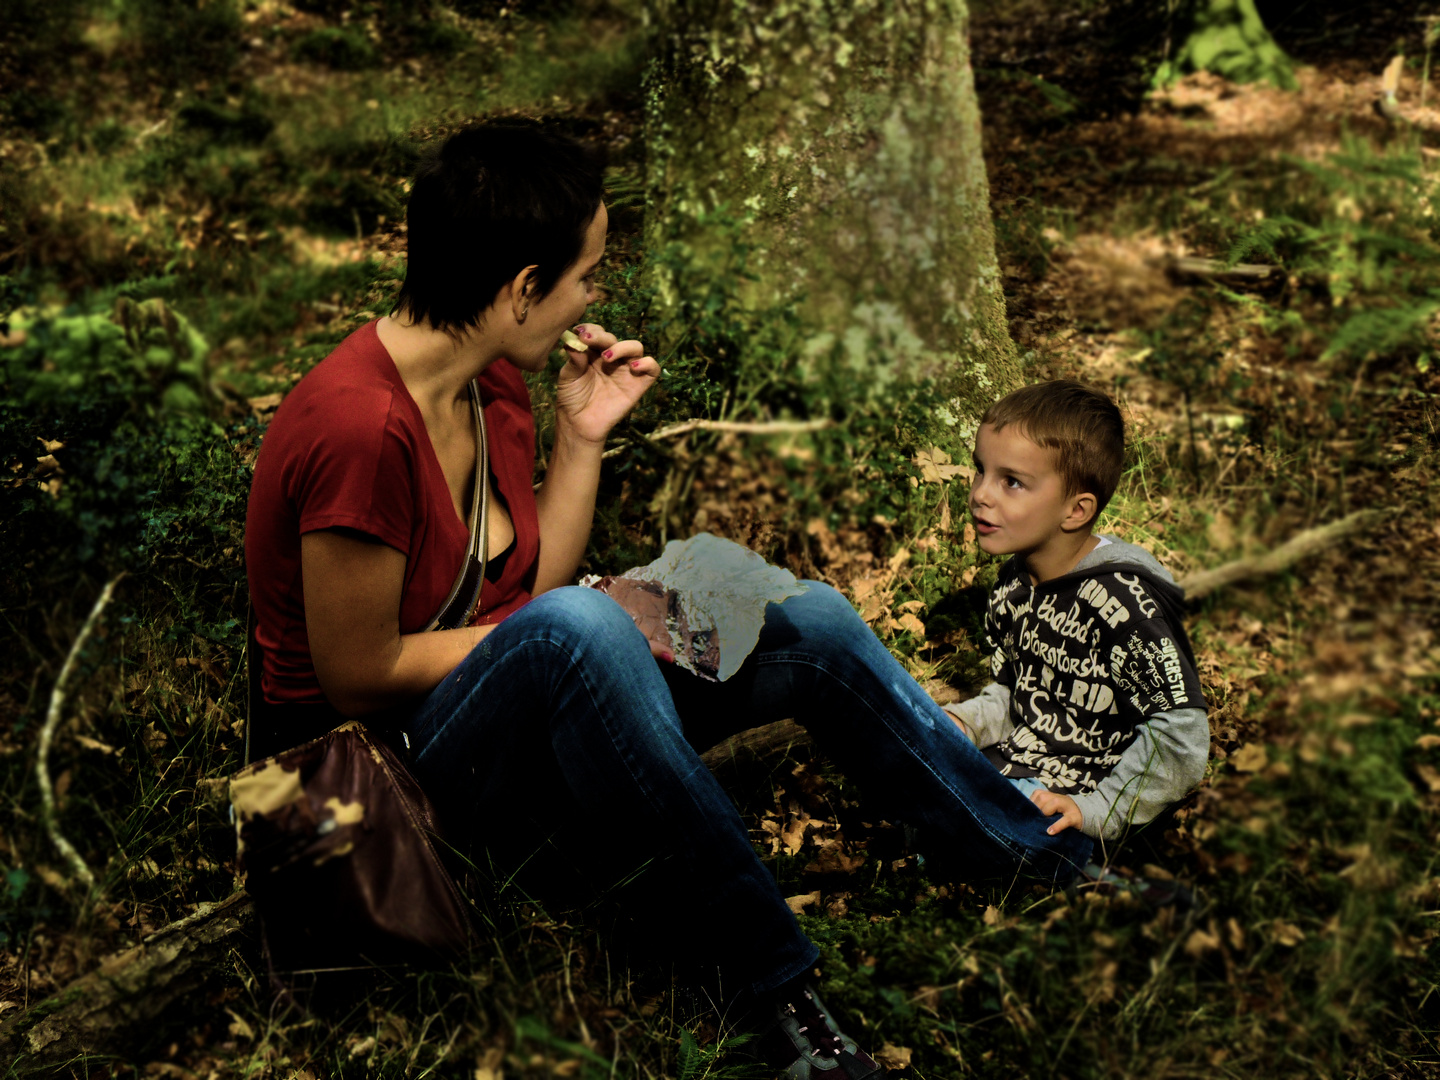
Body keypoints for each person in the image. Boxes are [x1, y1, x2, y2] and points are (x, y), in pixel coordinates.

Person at [244, 120, 1096, 1079]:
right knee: (581, 625)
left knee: (804, 623)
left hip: (492, 710)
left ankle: (1032, 861)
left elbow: (531, 585)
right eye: (588, 275)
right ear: (524, 288)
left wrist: (584, 436)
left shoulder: (496, 386)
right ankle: (773, 992)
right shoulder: (360, 426)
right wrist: (592, 622)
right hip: (372, 781)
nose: (596, 297)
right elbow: (355, 675)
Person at [942, 380, 1209, 848]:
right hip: (1014, 771)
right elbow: (1020, 698)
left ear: (1076, 509)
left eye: (1012, 482)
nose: (981, 494)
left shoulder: (1125, 604)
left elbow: (1181, 742)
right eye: (980, 470)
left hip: (1076, 814)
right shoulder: (1013, 583)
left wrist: (1099, 810)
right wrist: (969, 721)